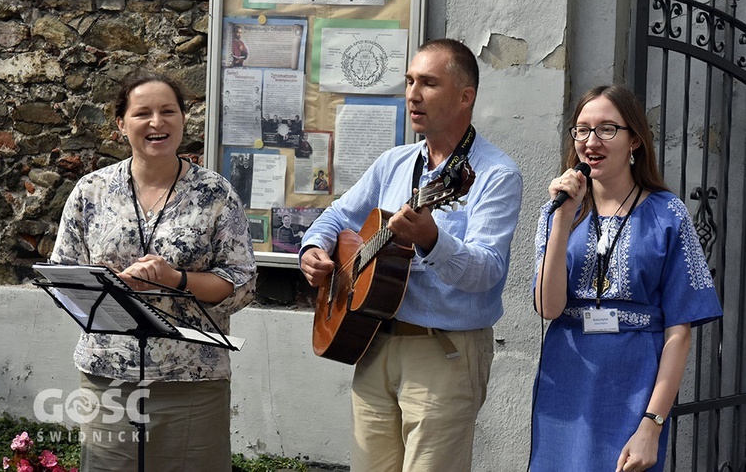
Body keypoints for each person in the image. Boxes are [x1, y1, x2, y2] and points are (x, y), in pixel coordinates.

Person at [299, 38, 523, 471]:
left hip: (443, 352)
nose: (413, 94)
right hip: (374, 342)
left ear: (465, 96)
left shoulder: (496, 175)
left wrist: (432, 239)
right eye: (409, 81)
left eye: (429, 83)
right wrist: (314, 248)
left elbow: (487, 272)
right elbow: (337, 215)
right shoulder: (394, 162)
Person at [50, 69, 257, 471]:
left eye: (168, 111)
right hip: (108, 376)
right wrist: (109, 290)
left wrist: (174, 279)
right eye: (142, 113)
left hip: (192, 377)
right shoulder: (90, 191)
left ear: (183, 119)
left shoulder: (215, 193)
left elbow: (242, 285)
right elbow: (64, 275)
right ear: (121, 124)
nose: (156, 122)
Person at [529, 85, 722, 472]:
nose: (590, 141)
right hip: (567, 377)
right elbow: (549, 307)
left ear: (634, 139)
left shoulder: (669, 214)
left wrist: (652, 424)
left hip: (634, 381)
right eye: (581, 130)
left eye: (606, 129)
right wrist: (563, 219)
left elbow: (679, 332)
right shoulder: (557, 213)